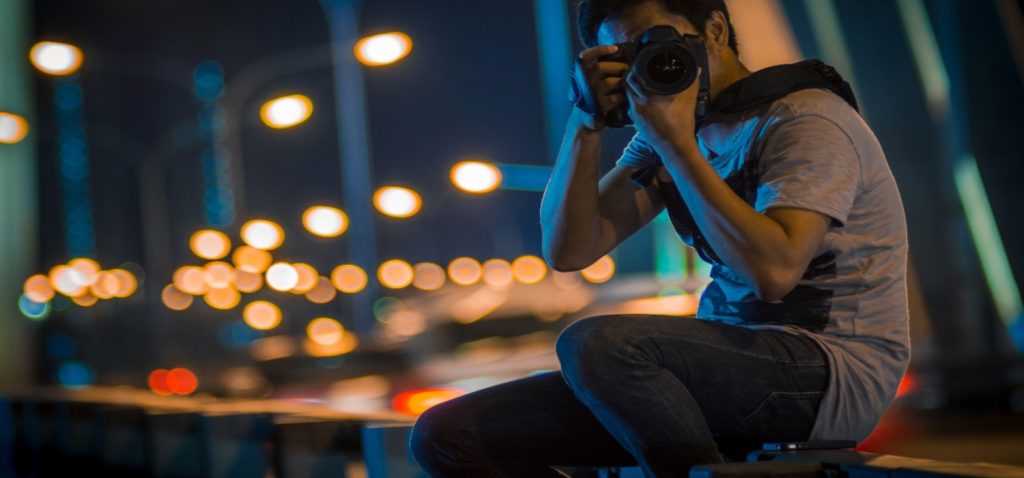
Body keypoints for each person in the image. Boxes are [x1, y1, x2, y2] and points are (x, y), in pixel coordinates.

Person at [409, 0, 911, 476]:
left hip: (830, 371)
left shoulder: (803, 119)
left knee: (598, 343)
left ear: (714, 30)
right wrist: (586, 122)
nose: (652, 63)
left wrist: (674, 144)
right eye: (628, 55)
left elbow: (774, 274)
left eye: (661, 41)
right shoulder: (667, 132)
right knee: (447, 435)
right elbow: (570, 249)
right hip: (731, 366)